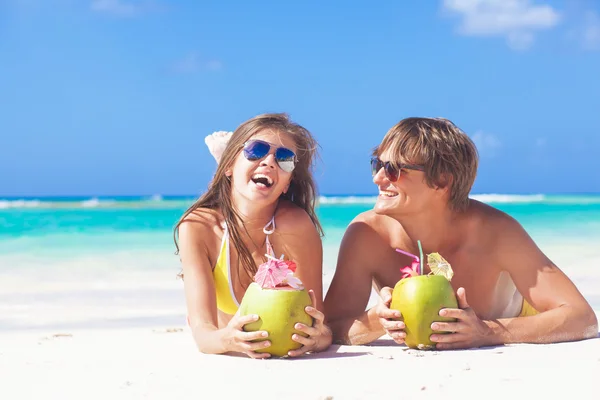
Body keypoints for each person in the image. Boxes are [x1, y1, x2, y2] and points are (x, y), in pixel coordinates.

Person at [324, 117, 598, 349]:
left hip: (523, 318)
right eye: (378, 165)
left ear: (442, 181)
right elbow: (329, 329)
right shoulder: (367, 234)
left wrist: (488, 332)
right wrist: (376, 320)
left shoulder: (495, 233)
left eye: (394, 170)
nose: (378, 178)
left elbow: (581, 318)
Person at [174, 113, 332, 358]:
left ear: (288, 183)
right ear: (228, 166)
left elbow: (321, 328)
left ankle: (240, 163)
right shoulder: (198, 227)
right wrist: (226, 338)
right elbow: (204, 335)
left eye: (285, 159)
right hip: (221, 324)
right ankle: (231, 165)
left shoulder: (296, 225)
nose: (270, 161)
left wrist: (316, 338)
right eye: (256, 150)